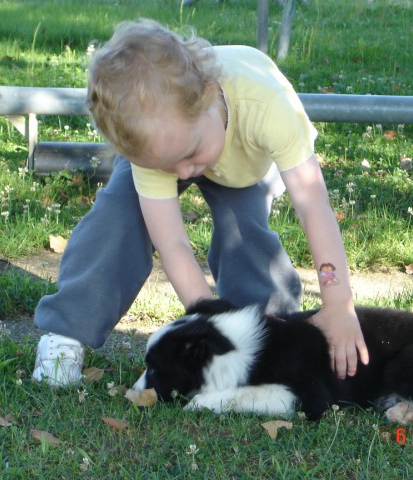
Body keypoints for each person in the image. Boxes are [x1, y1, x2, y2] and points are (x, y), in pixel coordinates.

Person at [32, 19, 368, 387]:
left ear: (208, 95)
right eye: (167, 166)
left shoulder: (267, 107)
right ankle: (67, 332)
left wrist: (337, 303)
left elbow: (312, 205)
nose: (183, 171)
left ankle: (269, 343)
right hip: (179, 141)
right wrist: (207, 325)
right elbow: (173, 244)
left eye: (190, 155)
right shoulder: (161, 145)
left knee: (244, 233)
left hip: (248, 157)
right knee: (117, 216)